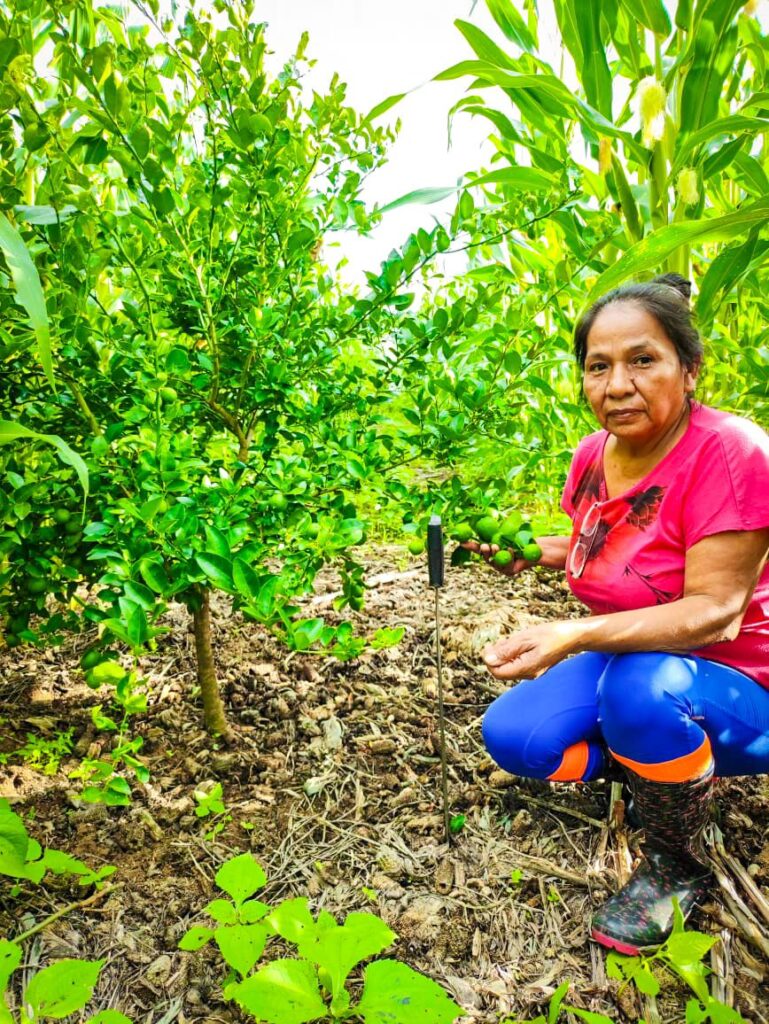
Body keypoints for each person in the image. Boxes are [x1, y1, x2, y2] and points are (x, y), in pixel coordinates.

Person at [464, 274, 769, 954]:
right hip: (638, 657)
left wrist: (574, 633)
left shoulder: (730, 452)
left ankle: (673, 865)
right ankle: (662, 769)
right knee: (518, 736)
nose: (617, 383)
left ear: (688, 370)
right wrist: (526, 551)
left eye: (642, 360)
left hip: (741, 680)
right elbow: (601, 547)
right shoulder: (592, 455)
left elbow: (717, 613)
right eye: (597, 366)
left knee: (641, 691)